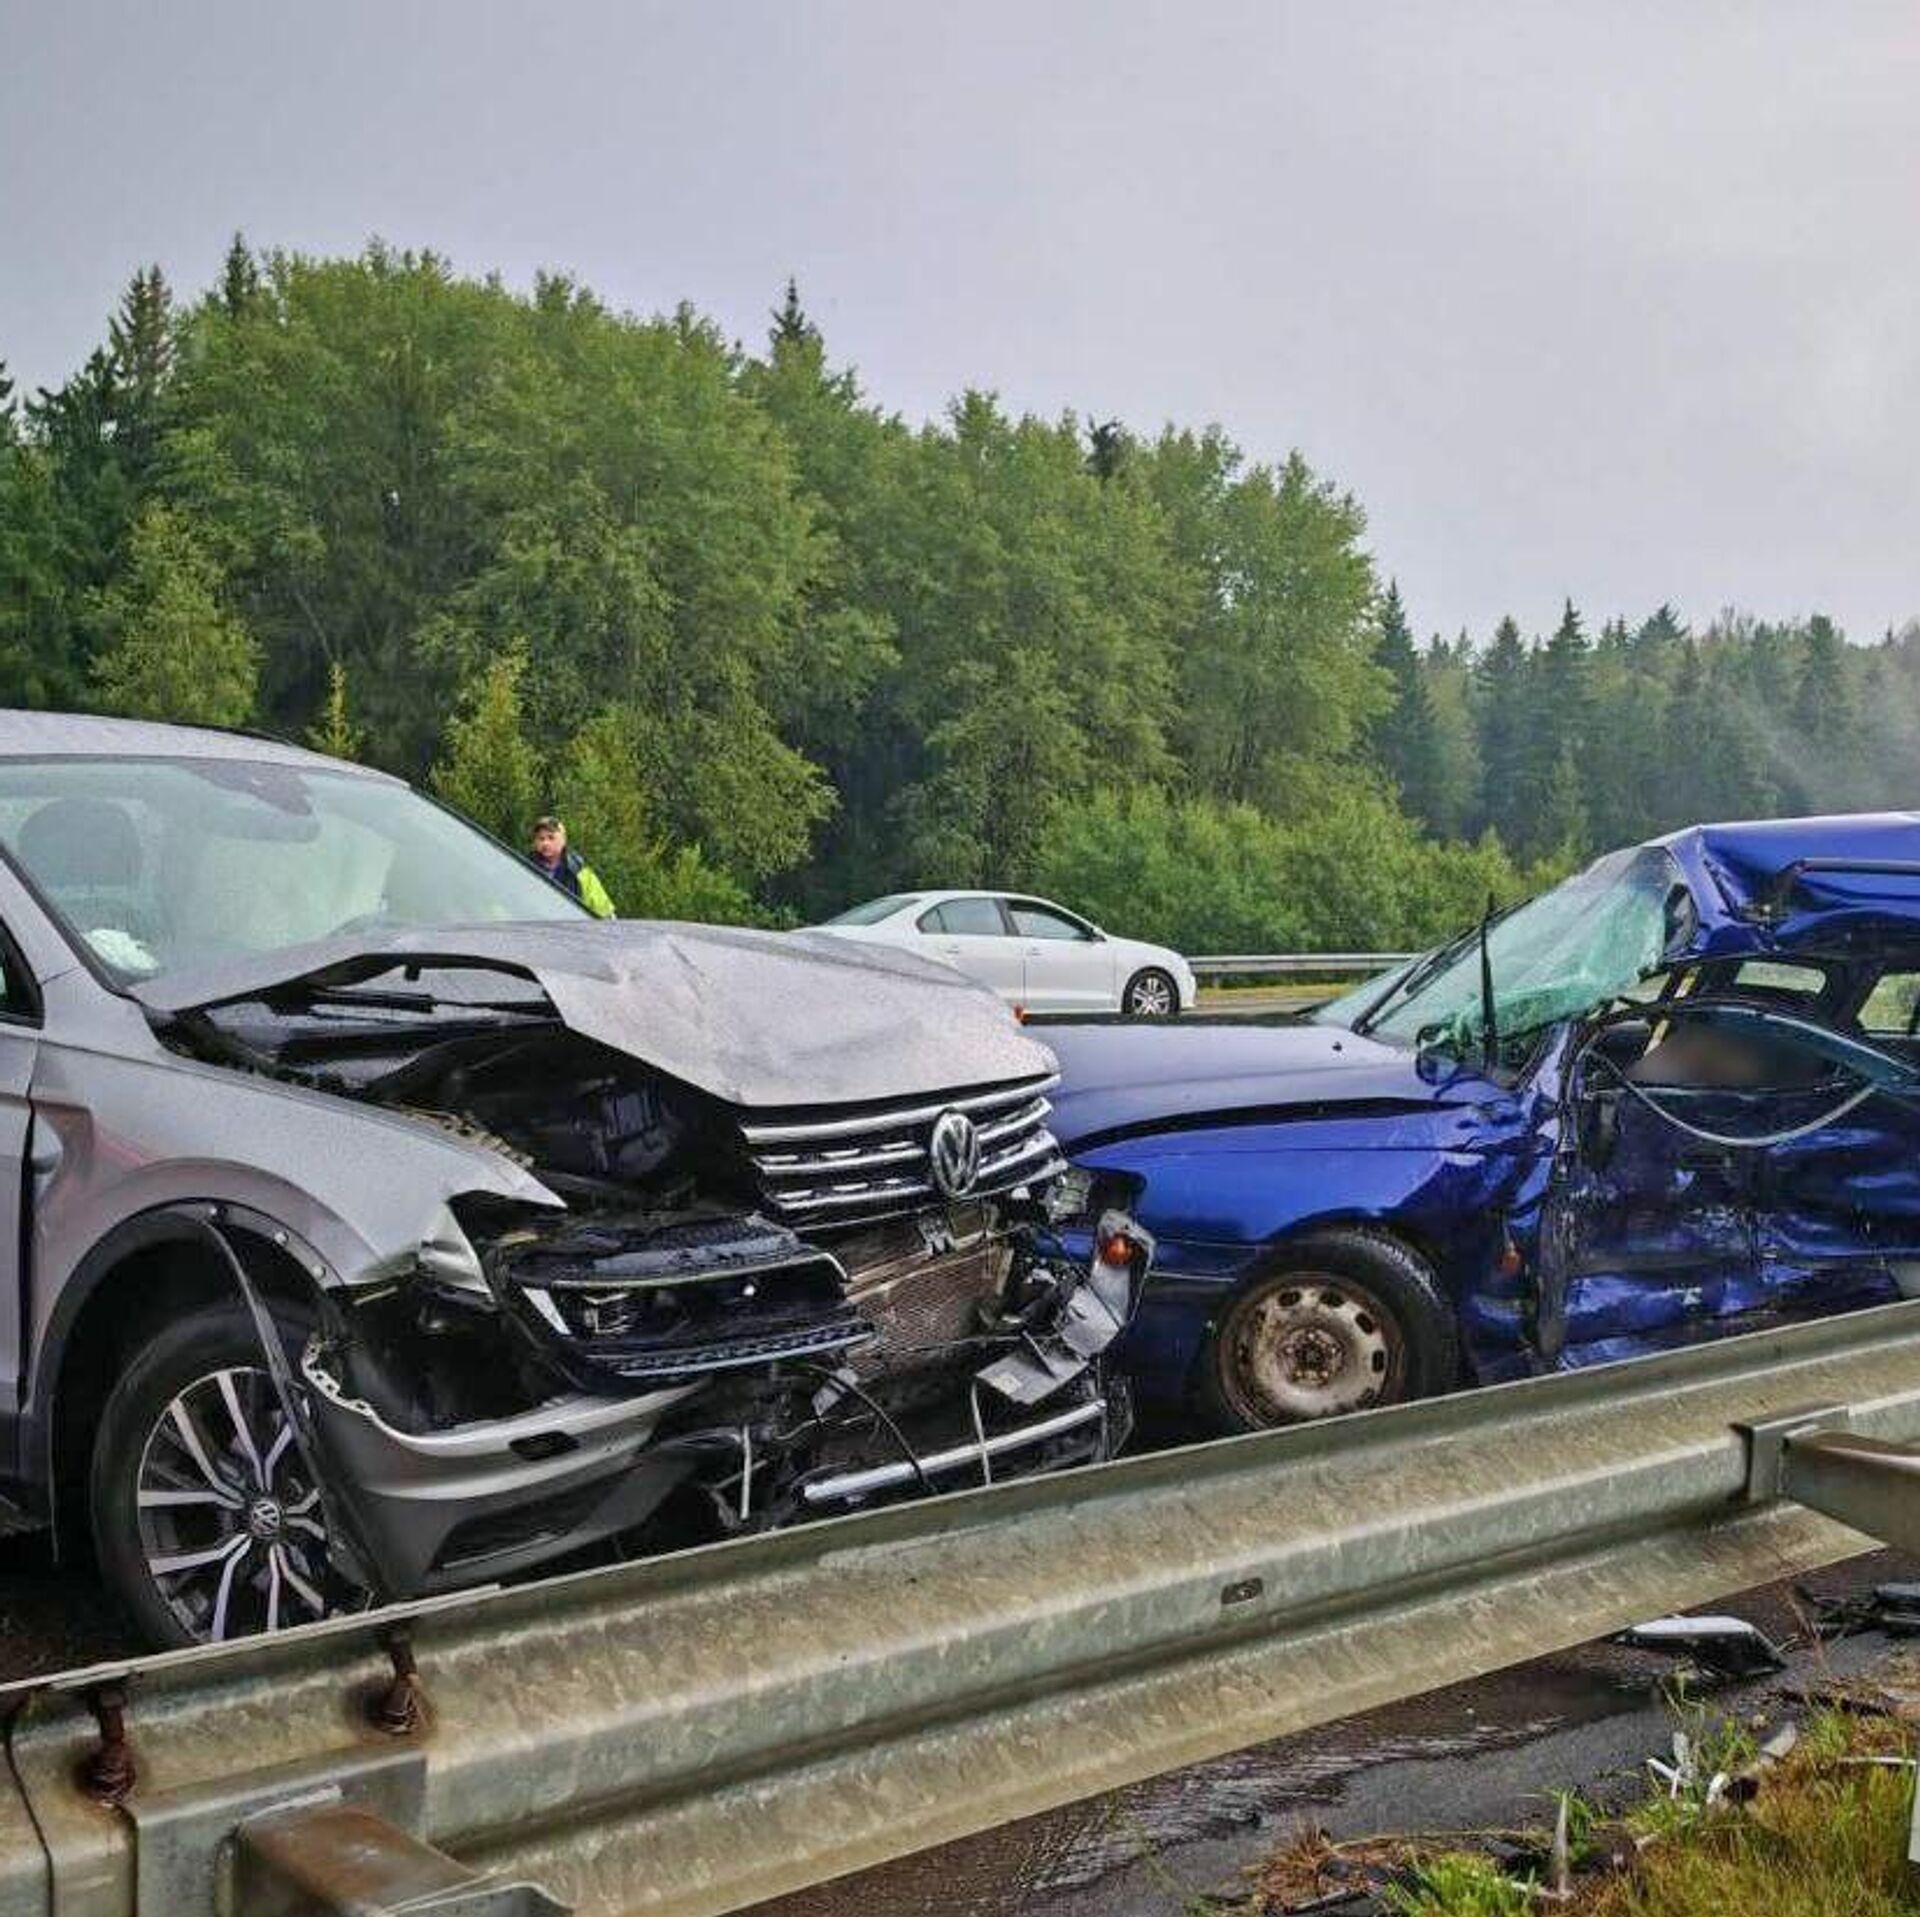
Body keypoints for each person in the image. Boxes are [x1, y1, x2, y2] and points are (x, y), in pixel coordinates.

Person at [528, 815, 616, 918]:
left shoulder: (579, 871)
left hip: (571, 926)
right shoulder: (526, 868)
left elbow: (604, 912)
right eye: (541, 839)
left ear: (563, 840)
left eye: (551, 837)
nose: (545, 843)